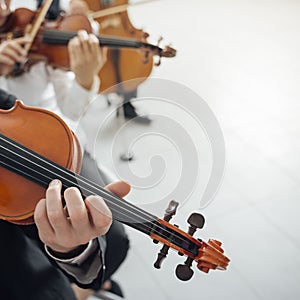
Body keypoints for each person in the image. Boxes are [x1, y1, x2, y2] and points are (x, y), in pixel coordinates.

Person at [0, 0, 129, 298]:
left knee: (113, 236)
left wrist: (85, 78)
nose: (4, 9)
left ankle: (91, 284)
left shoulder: (36, 23)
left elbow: (68, 113)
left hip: (55, 143)